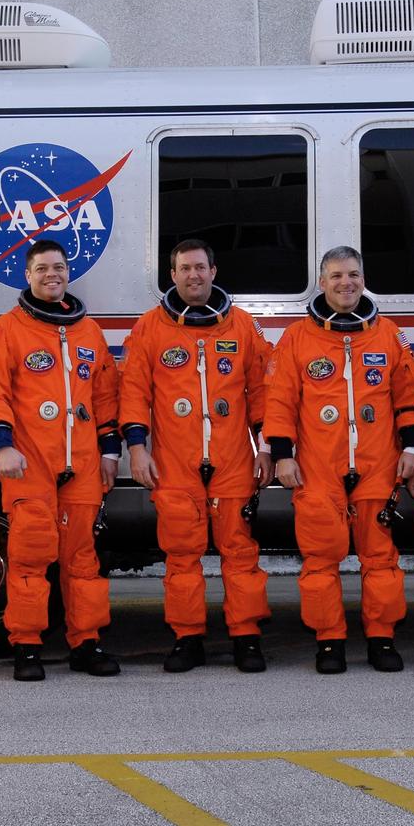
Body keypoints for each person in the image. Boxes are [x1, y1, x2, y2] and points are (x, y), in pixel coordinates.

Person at [265, 246, 414, 674]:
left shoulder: (390, 334)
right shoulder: (297, 338)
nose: (345, 283)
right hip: (318, 467)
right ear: (321, 283)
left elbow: (410, 397)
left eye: (353, 274)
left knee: (380, 559)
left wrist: (412, 450)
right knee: (320, 559)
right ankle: (329, 641)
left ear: (363, 278)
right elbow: (279, 401)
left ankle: (382, 639)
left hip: (377, 464)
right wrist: (282, 456)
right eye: (336, 276)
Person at [120, 239, 273, 673]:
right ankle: (187, 638)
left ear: (214, 271)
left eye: (200, 267)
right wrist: (137, 449)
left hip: (233, 462)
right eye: (185, 268)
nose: (193, 275)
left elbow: (263, 392)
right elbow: (133, 392)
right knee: (182, 556)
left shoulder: (242, 326)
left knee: (240, 552)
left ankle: (246, 637)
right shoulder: (150, 327)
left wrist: (266, 450)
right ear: (172, 275)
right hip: (175, 463)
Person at [0, 239, 122, 682]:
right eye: (42, 269)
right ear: (27, 274)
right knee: (29, 556)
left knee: (82, 559)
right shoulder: (6, 329)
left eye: (58, 267)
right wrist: (2, 445)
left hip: (82, 463)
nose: (51, 275)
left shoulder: (88, 331)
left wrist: (110, 451)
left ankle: (87, 642)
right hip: (29, 462)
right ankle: (27, 646)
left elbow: (105, 396)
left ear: (68, 272)